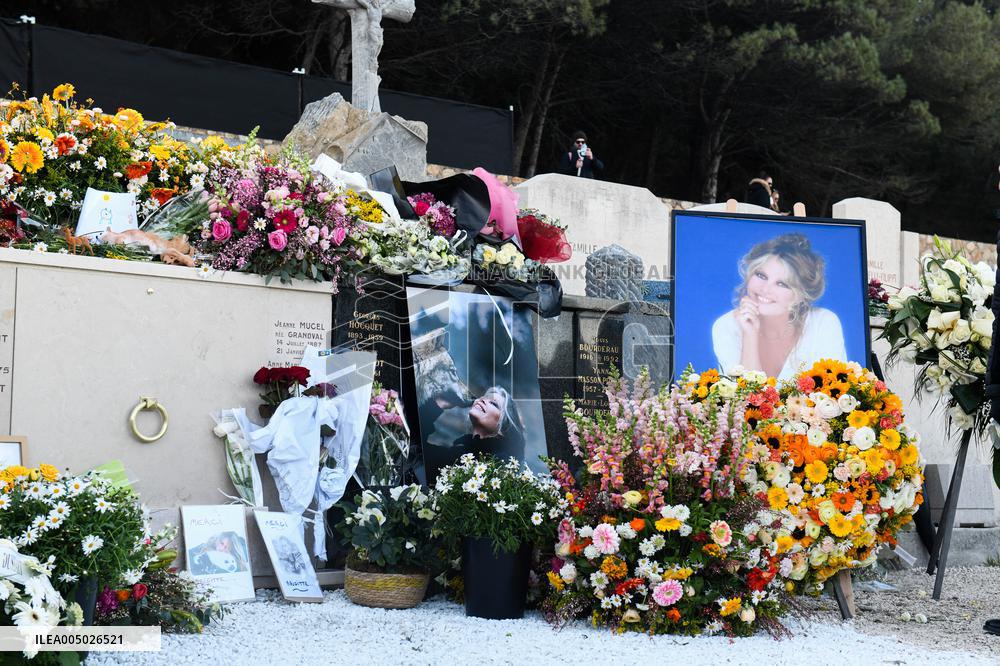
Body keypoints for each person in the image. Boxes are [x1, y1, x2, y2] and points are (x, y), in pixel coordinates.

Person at [711, 233, 847, 379]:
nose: (765, 289)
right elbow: (747, 398)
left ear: (801, 295)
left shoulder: (823, 322)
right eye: (761, 276)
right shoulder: (726, 326)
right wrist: (749, 334)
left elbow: (835, 391)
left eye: (782, 284)